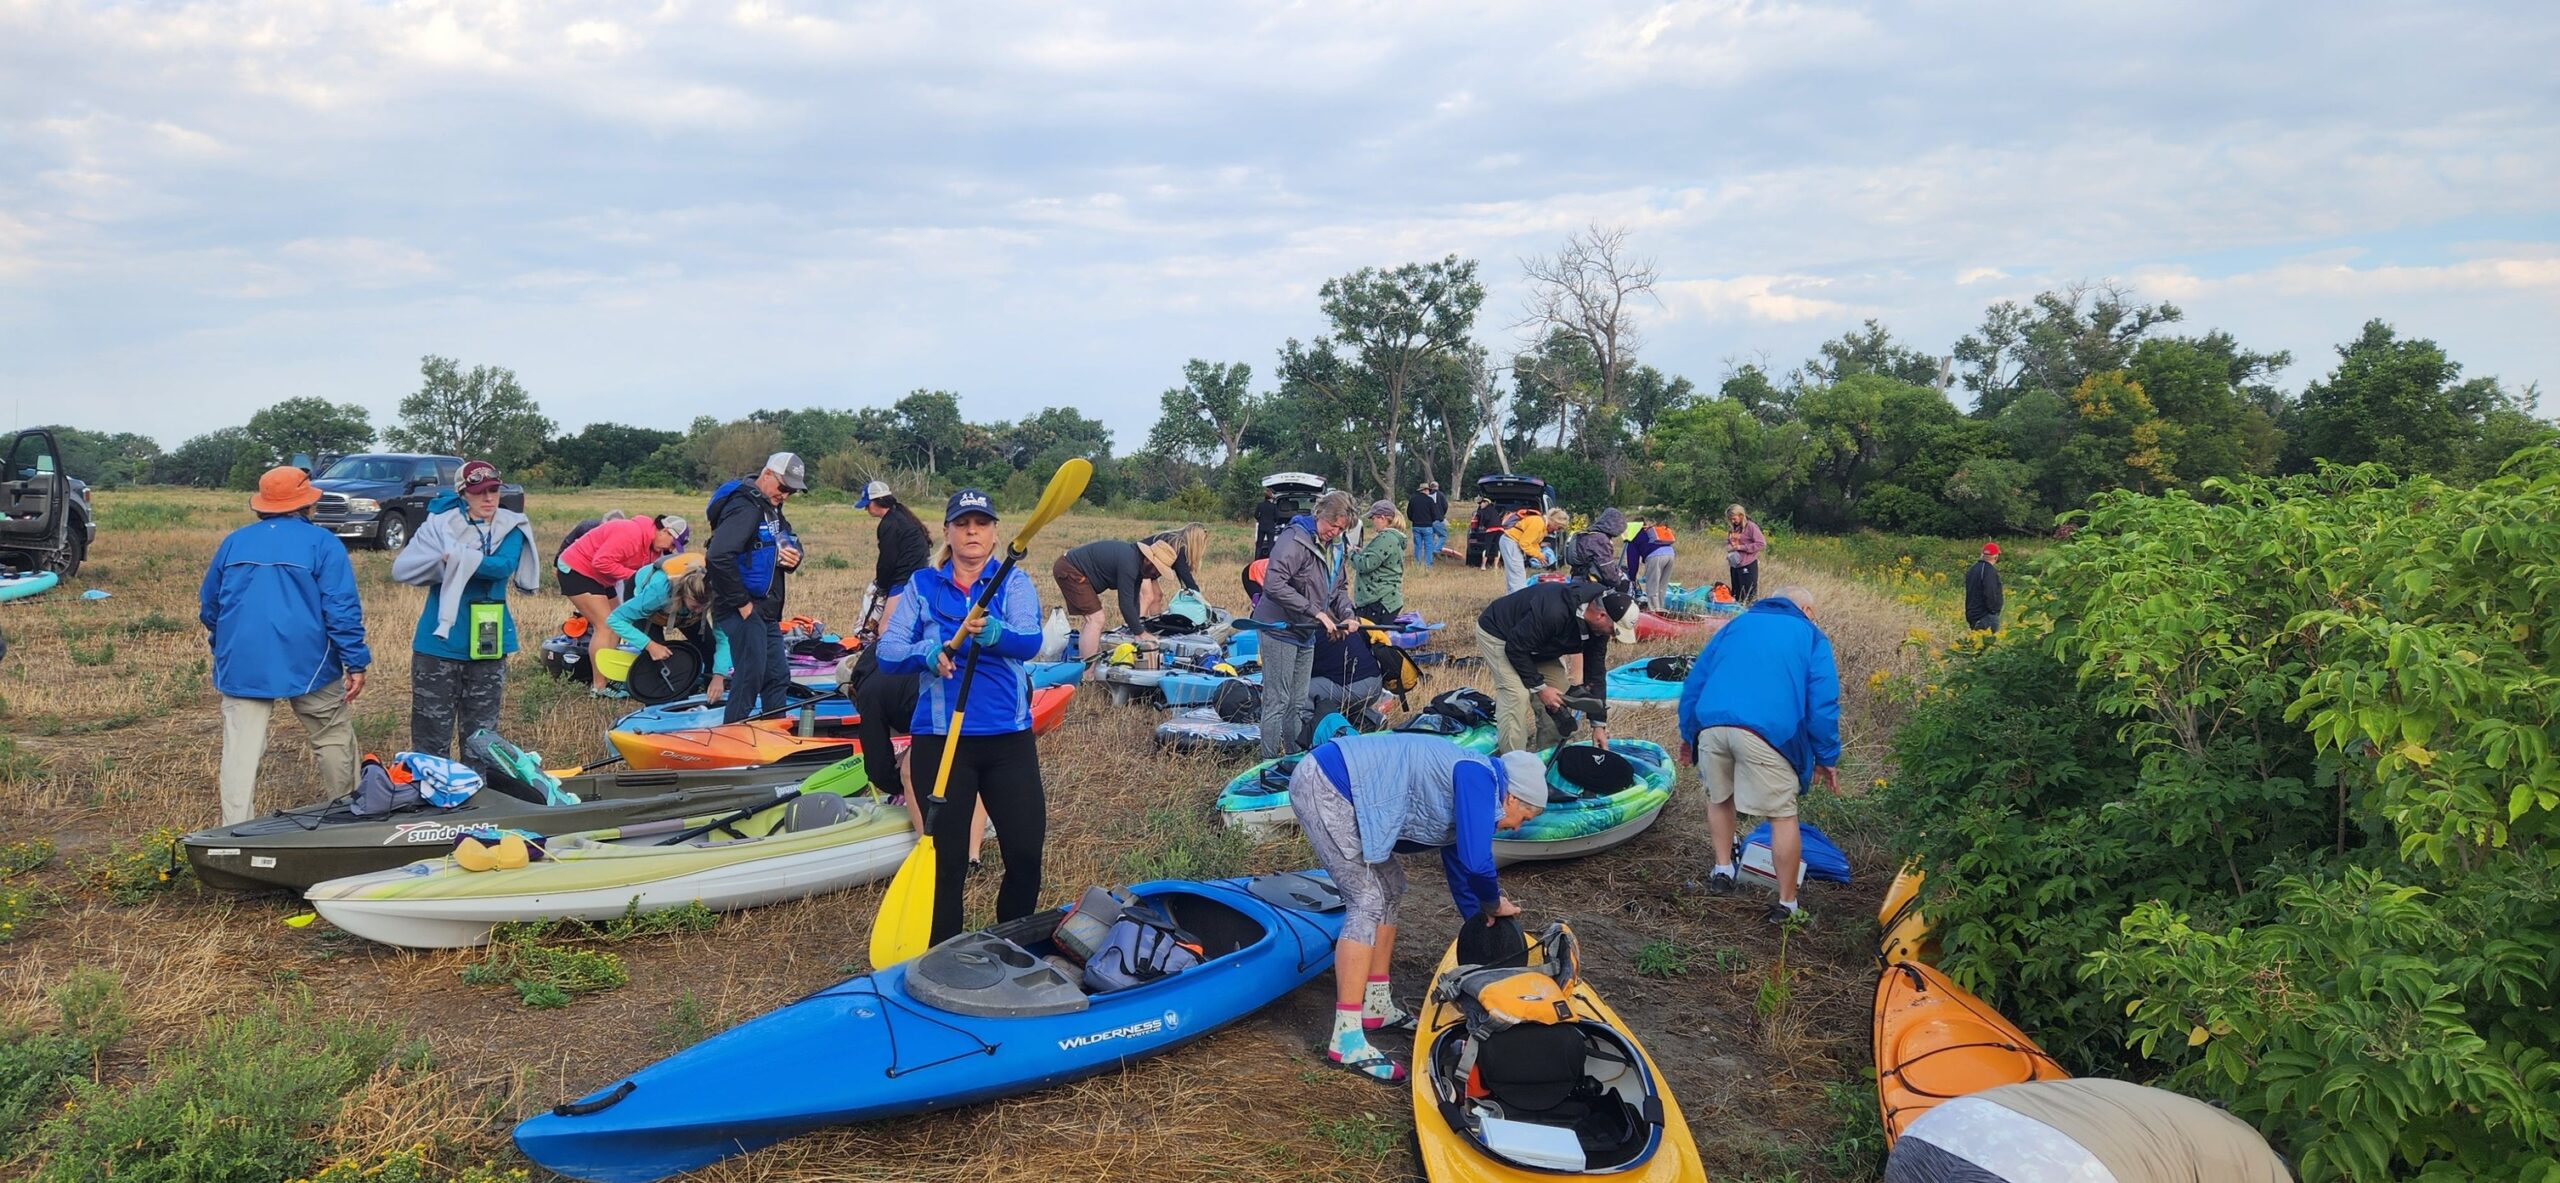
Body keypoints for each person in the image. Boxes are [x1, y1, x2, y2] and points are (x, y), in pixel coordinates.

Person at [1289, 734, 1550, 1082]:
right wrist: (1494, 902)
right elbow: (1476, 861)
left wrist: (1483, 921)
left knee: (1391, 887)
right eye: (1525, 818)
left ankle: (1376, 1004)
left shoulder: (1478, 780)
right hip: (1327, 782)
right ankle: (1347, 1038)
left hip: (1342, 787)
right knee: (1366, 899)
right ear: (1513, 797)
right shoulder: (1479, 777)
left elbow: (1460, 865)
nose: (1518, 827)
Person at [875, 488, 1047, 946]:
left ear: (994, 535)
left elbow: (1030, 640)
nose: (973, 531)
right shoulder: (922, 586)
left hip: (1008, 740)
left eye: (982, 523)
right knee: (947, 863)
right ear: (948, 533)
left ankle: (1011, 947)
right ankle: (941, 955)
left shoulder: (1012, 581)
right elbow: (888, 652)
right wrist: (927, 653)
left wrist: (994, 633)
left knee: (1026, 853)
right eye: (963, 523)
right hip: (941, 738)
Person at [201, 466, 371, 824]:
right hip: (310, 662)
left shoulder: (235, 541)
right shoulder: (324, 543)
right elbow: (340, 609)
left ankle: (234, 832)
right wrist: (355, 661)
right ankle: (347, 817)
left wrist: (224, 645)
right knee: (331, 734)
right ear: (307, 504)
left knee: (240, 750)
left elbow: (210, 605)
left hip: (242, 659)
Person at [1676, 585, 1840, 925]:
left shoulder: (1736, 624)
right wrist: (1826, 756)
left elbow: (1696, 682)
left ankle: (1722, 870)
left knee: (1720, 798)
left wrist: (1688, 733)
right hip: (1767, 732)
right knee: (1782, 815)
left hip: (1712, 725)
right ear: (1806, 611)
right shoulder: (1811, 635)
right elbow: (1822, 703)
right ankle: (1787, 904)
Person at [391, 460, 540, 779]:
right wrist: (452, 559)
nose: (488, 498)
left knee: (481, 738)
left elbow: (503, 566)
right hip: (438, 646)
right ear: (463, 494)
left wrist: (458, 558)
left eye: (494, 490)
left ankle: (478, 802)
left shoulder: (512, 527)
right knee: (430, 739)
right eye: (479, 492)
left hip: (488, 644)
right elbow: (407, 568)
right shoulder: (439, 524)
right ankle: (431, 802)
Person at [1251, 489, 1358, 760]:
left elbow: (1339, 588)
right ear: (1320, 514)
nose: (1335, 531)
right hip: (1280, 628)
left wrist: (1347, 614)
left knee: (1298, 702)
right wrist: (1315, 612)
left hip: (1306, 632)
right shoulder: (1294, 539)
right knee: (1278, 699)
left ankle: (1293, 755)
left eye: (1341, 528)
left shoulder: (1336, 548)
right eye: (1332, 525)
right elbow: (1274, 584)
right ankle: (1268, 761)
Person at [1475, 581, 1634, 755]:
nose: (1611, 636)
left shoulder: (1599, 627)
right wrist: (1540, 688)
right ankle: (1513, 764)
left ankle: (1549, 756)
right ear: (1601, 616)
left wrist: (1598, 725)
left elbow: (1595, 672)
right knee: (1516, 695)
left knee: (1559, 695)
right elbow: (1515, 648)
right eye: (1613, 631)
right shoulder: (1554, 612)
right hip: (1501, 634)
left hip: (1539, 644)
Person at [706, 452, 807, 724]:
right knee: (749, 676)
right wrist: (742, 604)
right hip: (741, 608)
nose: (785, 495)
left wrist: (795, 555)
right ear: (767, 475)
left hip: (767, 609)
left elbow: (787, 540)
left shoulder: (770, 506)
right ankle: (731, 736)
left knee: (777, 676)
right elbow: (717, 556)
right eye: (783, 487)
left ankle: (774, 733)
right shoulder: (745, 507)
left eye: (792, 491)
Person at [557, 513, 687, 694]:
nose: (672, 549)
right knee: (605, 625)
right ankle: (599, 687)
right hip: (576, 569)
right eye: (673, 544)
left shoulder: (654, 549)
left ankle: (609, 679)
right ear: (665, 531)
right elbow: (601, 561)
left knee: (619, 622)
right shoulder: (631, 533)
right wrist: (634, 578)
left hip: (601, 577)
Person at [607, 556, 729, 708]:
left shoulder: (716, 596)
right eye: (695, 606)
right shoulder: (658, 592)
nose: (699, 611)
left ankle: (711, 695)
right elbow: (615, 619)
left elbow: (723, 639)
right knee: (661, 658)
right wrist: (650, 645)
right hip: (648, 601)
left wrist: (719, 676)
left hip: (682, 609)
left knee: (709, 647)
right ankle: (662, 703)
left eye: (703, 608)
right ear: (685, 595)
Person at [1053, 538, 1177, 668]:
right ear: (1148, 560)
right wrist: (1139, 633)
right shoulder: (1130, 563)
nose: (1156, 575)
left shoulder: (1137, 562)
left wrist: (1139, 626)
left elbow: (1134, 599)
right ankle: (1087, 673)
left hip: (1071, 568)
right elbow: (1125, 602)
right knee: (1096, 619)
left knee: (1092, 620)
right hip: (1069, 569)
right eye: (1157, 570)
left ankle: (1083, 667)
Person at [858, 480, 931, 636]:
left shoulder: (889, 524)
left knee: (885, 629)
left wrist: (882, 586)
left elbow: (887, 561)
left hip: (905, 581)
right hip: (919, 578)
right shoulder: (900, 515)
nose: (865, 509)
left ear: (877, 502)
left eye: (867, 504)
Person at [1307, 616, 1384, 734]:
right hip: (1376, 683)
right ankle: (1371, 720)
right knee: (1332, 688)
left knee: (1300, 693)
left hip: (1357, 688)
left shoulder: (1313, 634)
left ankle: (1326, 735)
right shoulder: (1340, 621)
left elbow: (1302, 674)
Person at [1350, 500, 1405, 622]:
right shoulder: (1390, 538)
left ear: (1382, 518)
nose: (1371, 521)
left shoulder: (1386, 539)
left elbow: (1365, 565)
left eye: (1372, 517)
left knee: (1370, 638)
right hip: (1385, 600)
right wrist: (1362, 552)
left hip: (1379, 602)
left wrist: (1351, 553)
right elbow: (1376, 558)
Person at [1140, 523, 1211, 599]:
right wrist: (1197, 594)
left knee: (1157, 595)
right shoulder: (1178, 546)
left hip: (1148, 567)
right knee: (1147, 596)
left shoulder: (1173, 540)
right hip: (1141, 565)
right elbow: (1184, 573)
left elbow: (1182, 573)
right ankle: (1139, 611)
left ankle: (1155, 611)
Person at [1564, 508, 1629, 590]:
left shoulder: (1583, 535)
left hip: (1576, 581)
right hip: (1591, 585)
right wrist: (1618, 580)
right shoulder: (1600, 539)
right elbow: (1607, 569)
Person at [1497, 504, 1550, 593]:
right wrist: (1539, 555)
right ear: (1554, 522)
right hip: (1511, 542)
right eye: (1558, 527)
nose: (1556, 530)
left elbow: (1532, 542)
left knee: (1515, 578)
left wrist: (1539, 553)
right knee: (1517, 579)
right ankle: (1517, 604)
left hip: (1510, 541)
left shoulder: (1540, 523)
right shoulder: (1538, 523)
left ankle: (1510, 603)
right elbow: (1524, 544)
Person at [1626, 518, 1677, 607]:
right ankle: (1661, 608)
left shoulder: (1634, 536)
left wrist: (1632, 578)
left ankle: (1654, 613)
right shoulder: (1650, 531)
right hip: (1670, 554)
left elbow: (1633, 562)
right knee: (1662, 587)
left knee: (1652, 588)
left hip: (1656, 556)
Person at [1724, 503, 1766, 603]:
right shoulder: (1733, 528)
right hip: (1735, 564)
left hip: (1747, 564)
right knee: (1736, 594)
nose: (1732, 521)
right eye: (1730, 519)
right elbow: (1730, 541)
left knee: (1748, 596)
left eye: (1734, 519)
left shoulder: (1751, 527)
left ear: (1741, 515)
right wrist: (1729, 546)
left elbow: (1761, 543)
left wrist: (1741, 547)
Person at [1406, 481, 1446, 569]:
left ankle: (1417, 564)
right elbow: (1435, 514)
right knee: (1428, 546)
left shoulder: (1413, 500)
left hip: (1416, 526)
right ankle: (1428, 565)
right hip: (1427, 526)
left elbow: (1409, 513)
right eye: (1428, 490)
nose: (1429, 492)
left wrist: (1414, 520)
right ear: (1425, 490)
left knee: (1418, 546)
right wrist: (1430, 520)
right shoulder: (1430, 500)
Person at [1965, 542, 2004, 631]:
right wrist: (1994, 611)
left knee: (1976, 643)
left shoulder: (1973, 569)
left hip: (1972, 614)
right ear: (1996, 556)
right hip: (1985, 616)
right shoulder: (1989, 571)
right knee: (1987, 643)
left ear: (1982, 555)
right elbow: (1991, 593)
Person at [1465, 496, 1501, 568]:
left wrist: (1482, 525)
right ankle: (1496, 566)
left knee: (1487, 547)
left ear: (1486, 503)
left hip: (1490, 530)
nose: (1480, 505)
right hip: (1500, 530)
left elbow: (1483, 520)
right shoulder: (1495, 511)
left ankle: (1483, 565)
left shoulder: (1482, 511)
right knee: (1497, 547)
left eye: (1481, 503)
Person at [1253, 488, 1287, 559]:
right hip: (1270, 527)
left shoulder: (1260, 505)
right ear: (1270, 498)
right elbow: (1277, 517)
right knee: (1270, 544)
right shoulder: (1273, 506)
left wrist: (1260, 520)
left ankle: (1256, 560)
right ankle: (1271, 559)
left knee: (1259, 545)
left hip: (1261, 527)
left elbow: (1255, 515)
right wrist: (1274, 522)